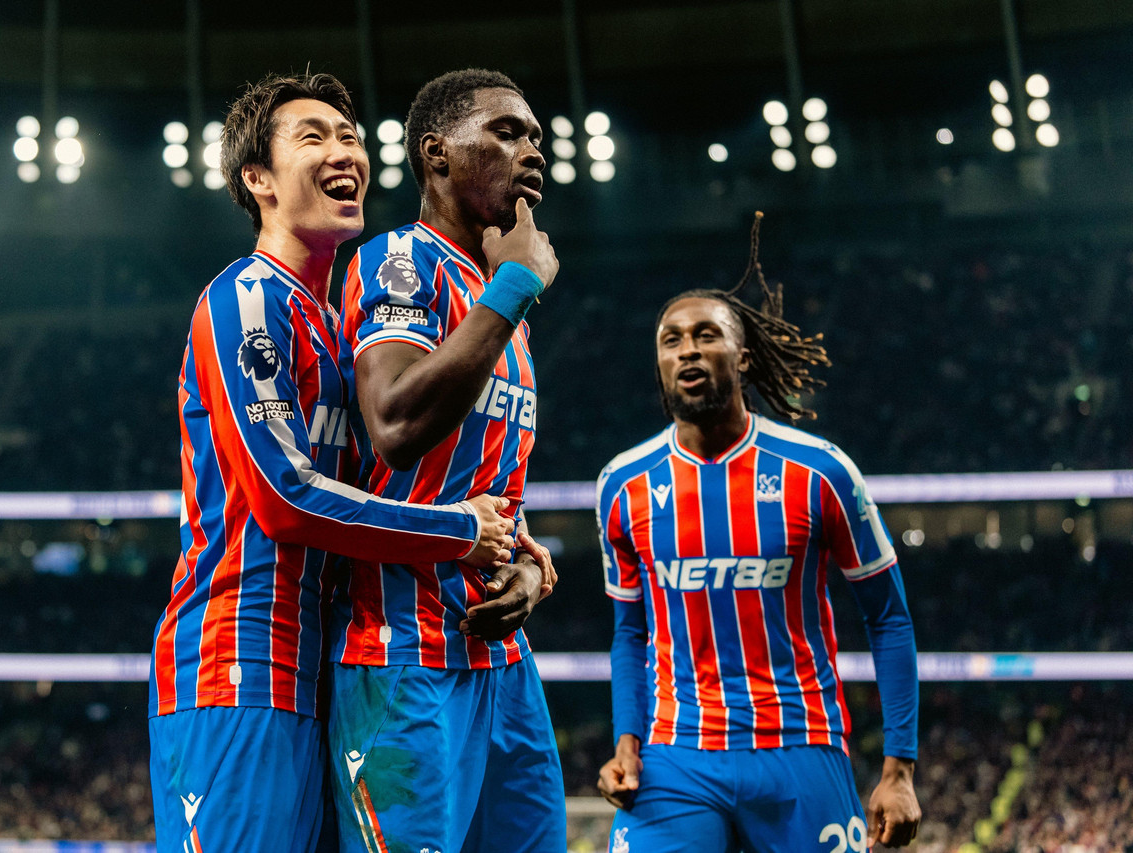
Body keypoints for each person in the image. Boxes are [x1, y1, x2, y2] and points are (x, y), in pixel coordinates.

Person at [147, 72, 516, 853]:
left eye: (350, 136)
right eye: (313, 137)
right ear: (258, 179)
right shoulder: (248, 298)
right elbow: (286, 498)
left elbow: (385, 485)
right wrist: (459, 530)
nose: (344, 151)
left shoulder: (334, 329)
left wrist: (521, 550)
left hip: (329, 672)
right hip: (240, 664)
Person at [595, 220, 923, 851]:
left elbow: (889, 618)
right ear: (659, 364)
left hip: (800, 745)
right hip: (674, 756)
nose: (687, 350)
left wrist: (899, 770)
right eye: (671, 340)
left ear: (742, 357)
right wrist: (626, 745)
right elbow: (630, 632)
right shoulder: (622, 485)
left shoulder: (821, 472)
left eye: (706, 335)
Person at [328, 68, 566, 853]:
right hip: (403, 664)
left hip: (502, 666)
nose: (533, 149)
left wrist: (526, 569)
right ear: (437, 154)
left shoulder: (501, 303)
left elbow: (493, 492)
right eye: (507, 131)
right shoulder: (402, 260)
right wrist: (518, 283)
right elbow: (395, 422)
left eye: (536, 135)